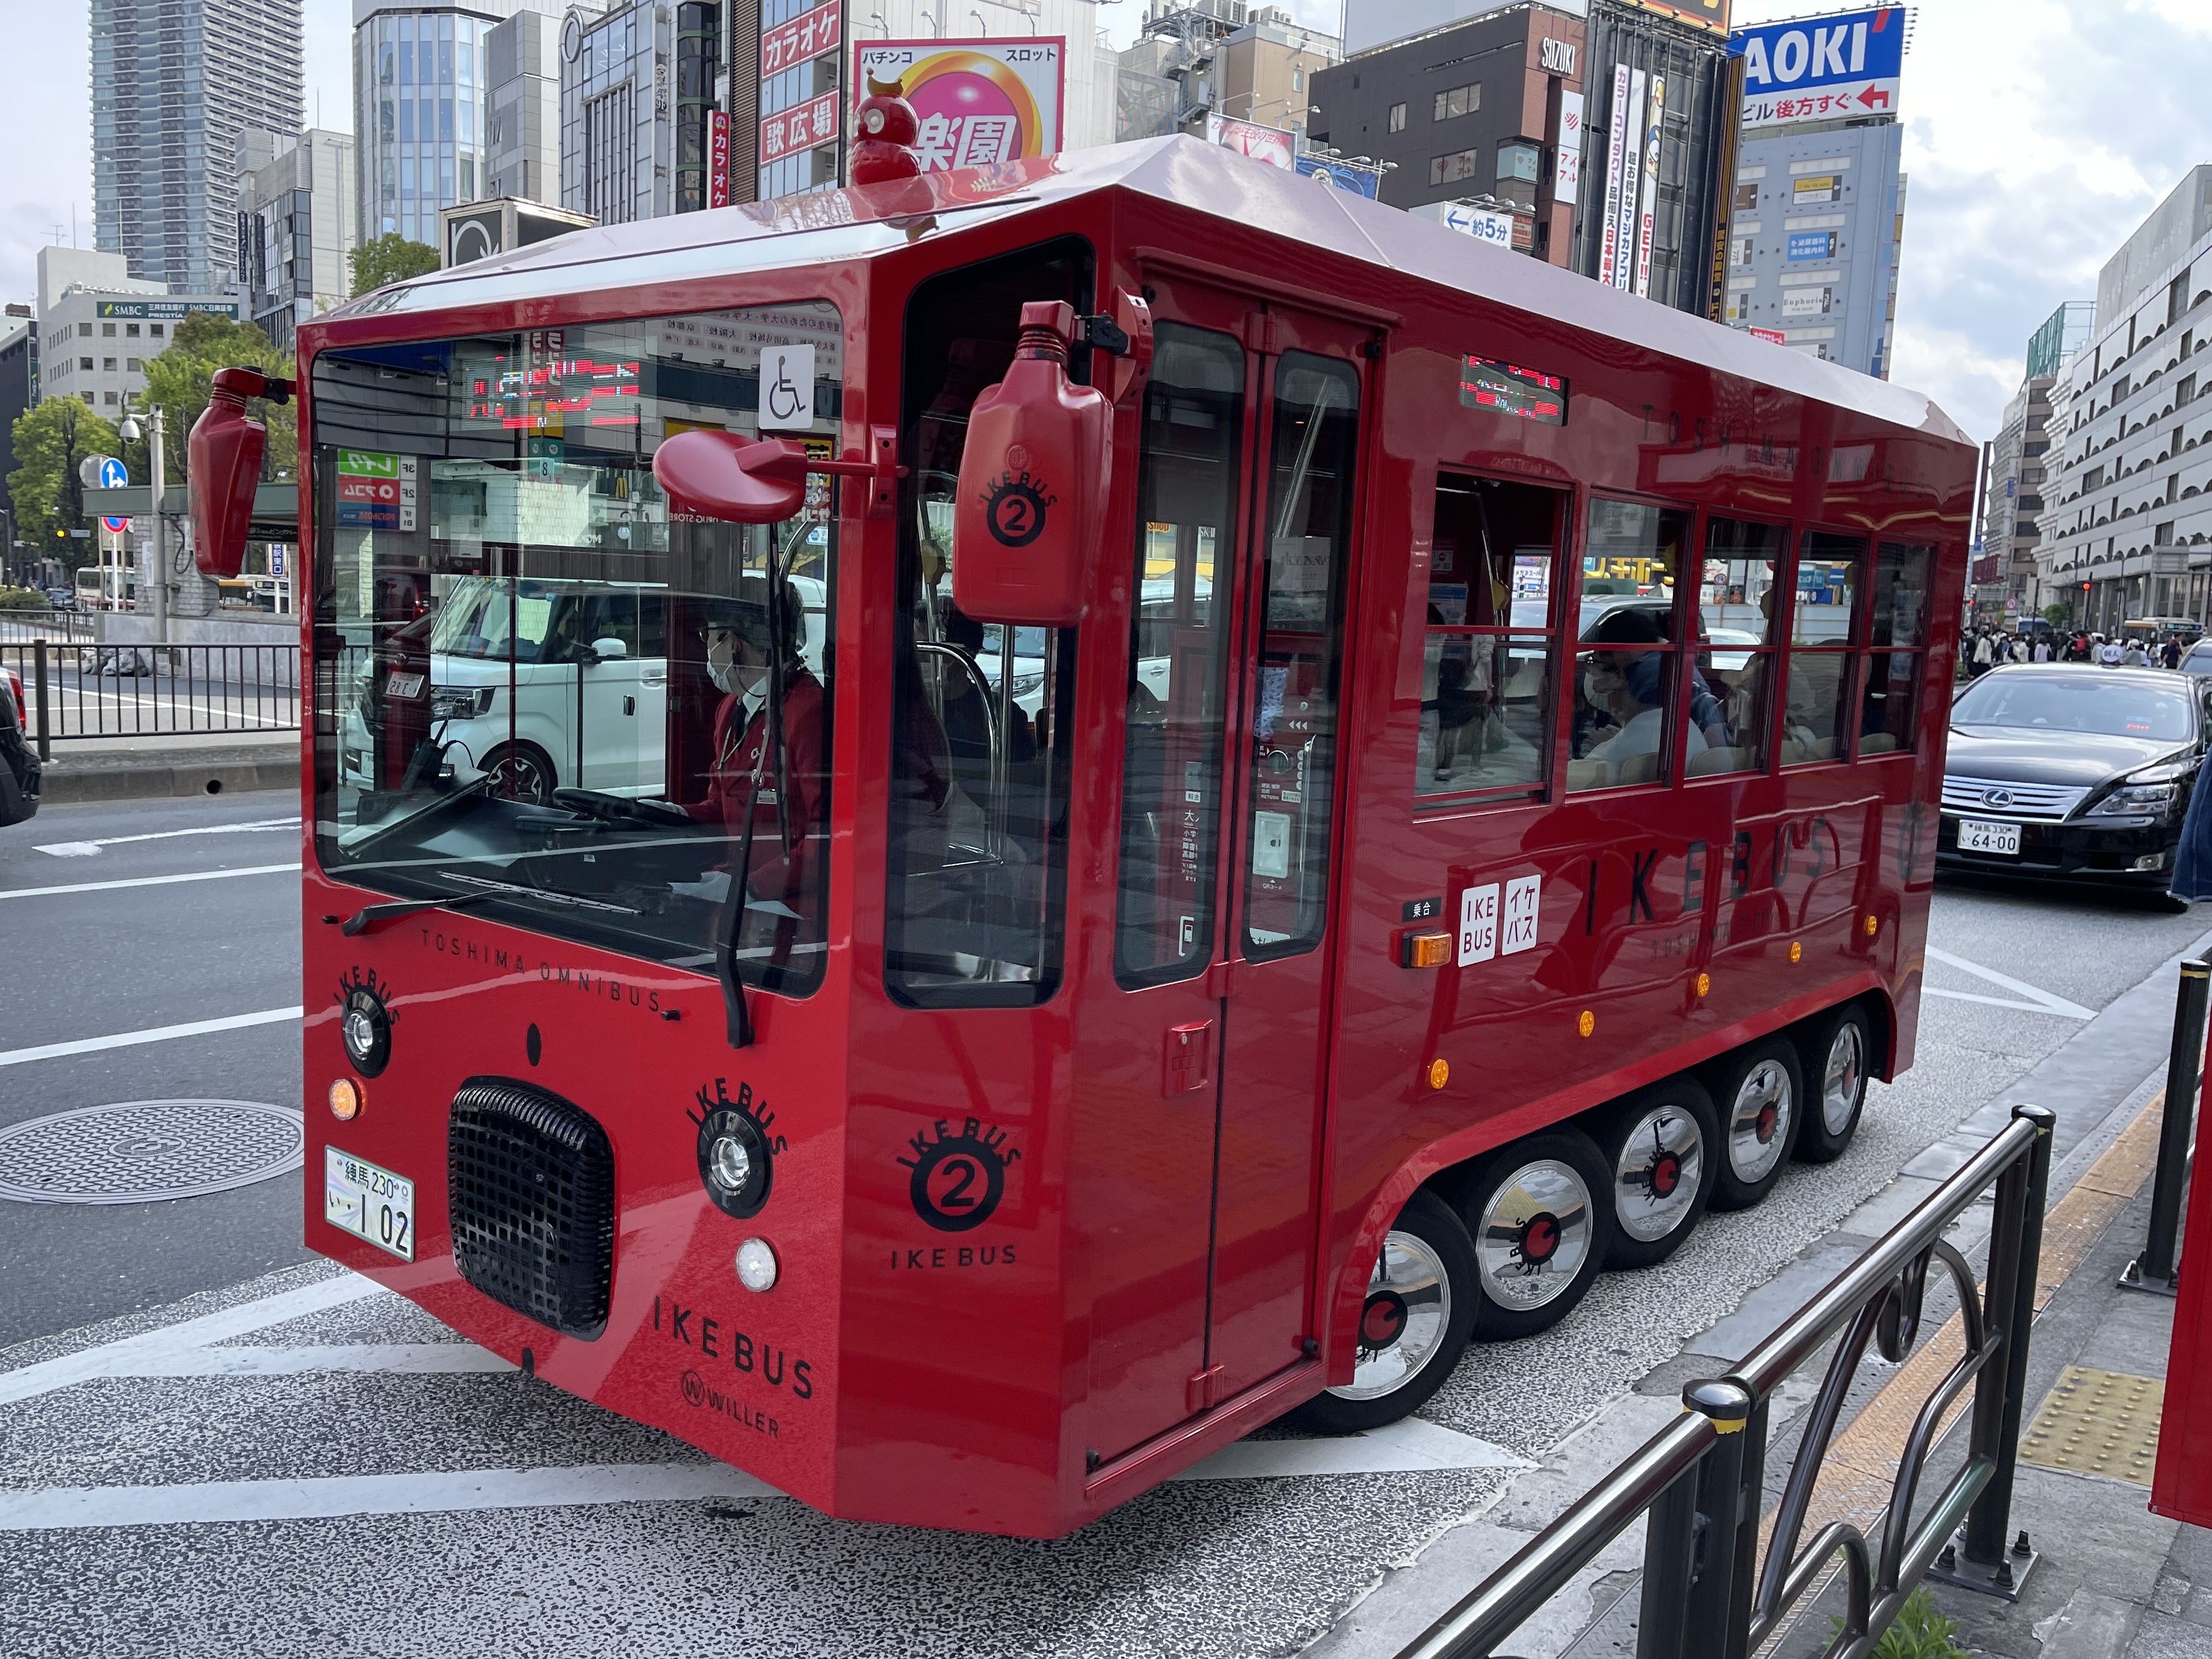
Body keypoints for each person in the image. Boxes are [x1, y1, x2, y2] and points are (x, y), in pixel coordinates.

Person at [677, 578, 829, 942]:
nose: (707, 648)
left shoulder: (808, 712)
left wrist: (754, 886)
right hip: (739, 898)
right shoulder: (731, 710)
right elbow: (722, 806)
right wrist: (672, 815)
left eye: (708, 636)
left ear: (733, 643)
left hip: (792, 911)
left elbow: (828, 836)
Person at [1578, 609, 1707, 771]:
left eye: (1597, 664)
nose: (1595, 683)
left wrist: (1611, 745)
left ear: (1621, 676)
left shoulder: (1609, 754)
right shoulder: (1688, 729)